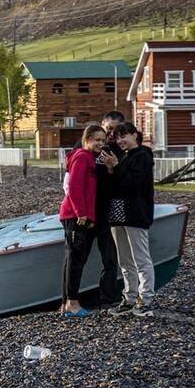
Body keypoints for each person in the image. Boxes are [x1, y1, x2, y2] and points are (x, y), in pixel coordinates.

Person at [104, 122, 157, 317]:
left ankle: (146, 300)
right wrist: (111, 169)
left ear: (135, 135)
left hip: (136, 214)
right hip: (119, 214)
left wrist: (116, 166)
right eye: (118, 137)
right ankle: (130, 297)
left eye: (124, 136)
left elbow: (132, 184)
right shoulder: (124, 157)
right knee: (125, 260)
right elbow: (117, 184)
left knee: (141, 258)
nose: (120, 140)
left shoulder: (143, 156)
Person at [59, 124, 107, 317]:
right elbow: (75, 188)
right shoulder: (82, 157)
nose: (100, 144)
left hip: (82, 217)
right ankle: (72, 303)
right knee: (75, 260)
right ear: (87, 139)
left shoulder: (90, 158)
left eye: (103, 141)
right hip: (75, 216)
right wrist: (81, 214)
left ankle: (66, 303)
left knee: (74, 259)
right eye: (97, 140)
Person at [90, 111, 126, 307]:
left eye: (115, 129)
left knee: (110, 257)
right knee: (79, 256)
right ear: (102, 126)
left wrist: (113, 168)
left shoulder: (118, 150)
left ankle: (107, 297)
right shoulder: (86, 148)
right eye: (108, 129)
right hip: (87, 209)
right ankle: (72, 297)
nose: (111, 133)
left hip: (109, 209)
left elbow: (123, 179)